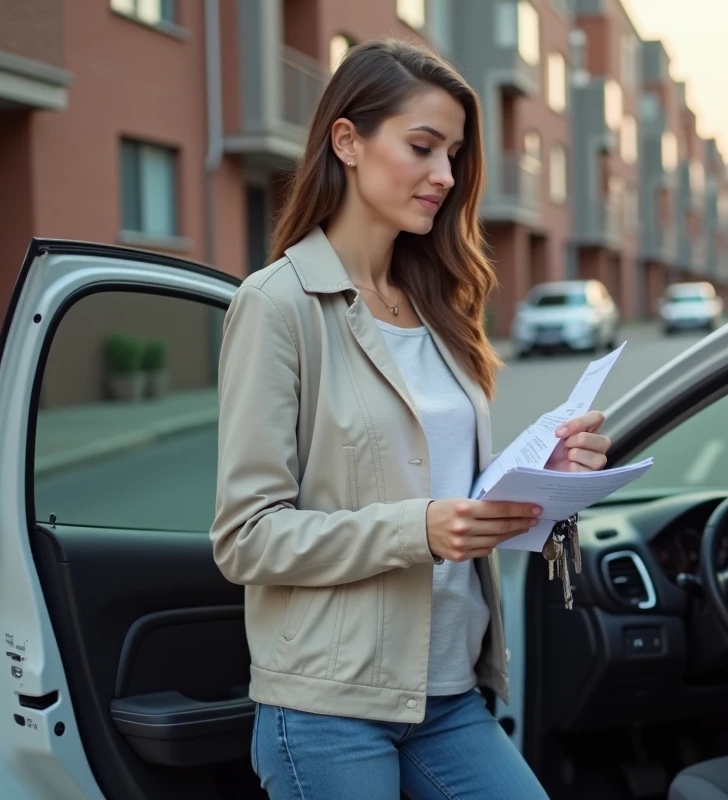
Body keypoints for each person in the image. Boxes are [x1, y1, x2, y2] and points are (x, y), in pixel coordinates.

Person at [209, 38, 611, 799]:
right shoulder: (278, 305)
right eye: (423, 147)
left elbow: (458, 494)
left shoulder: (440, 304)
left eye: (454, 154)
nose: (446, 176)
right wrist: (418, 530)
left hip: (451, 690)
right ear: (348, 141)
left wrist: (545, 482)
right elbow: (245, 538)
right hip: (328, 707)